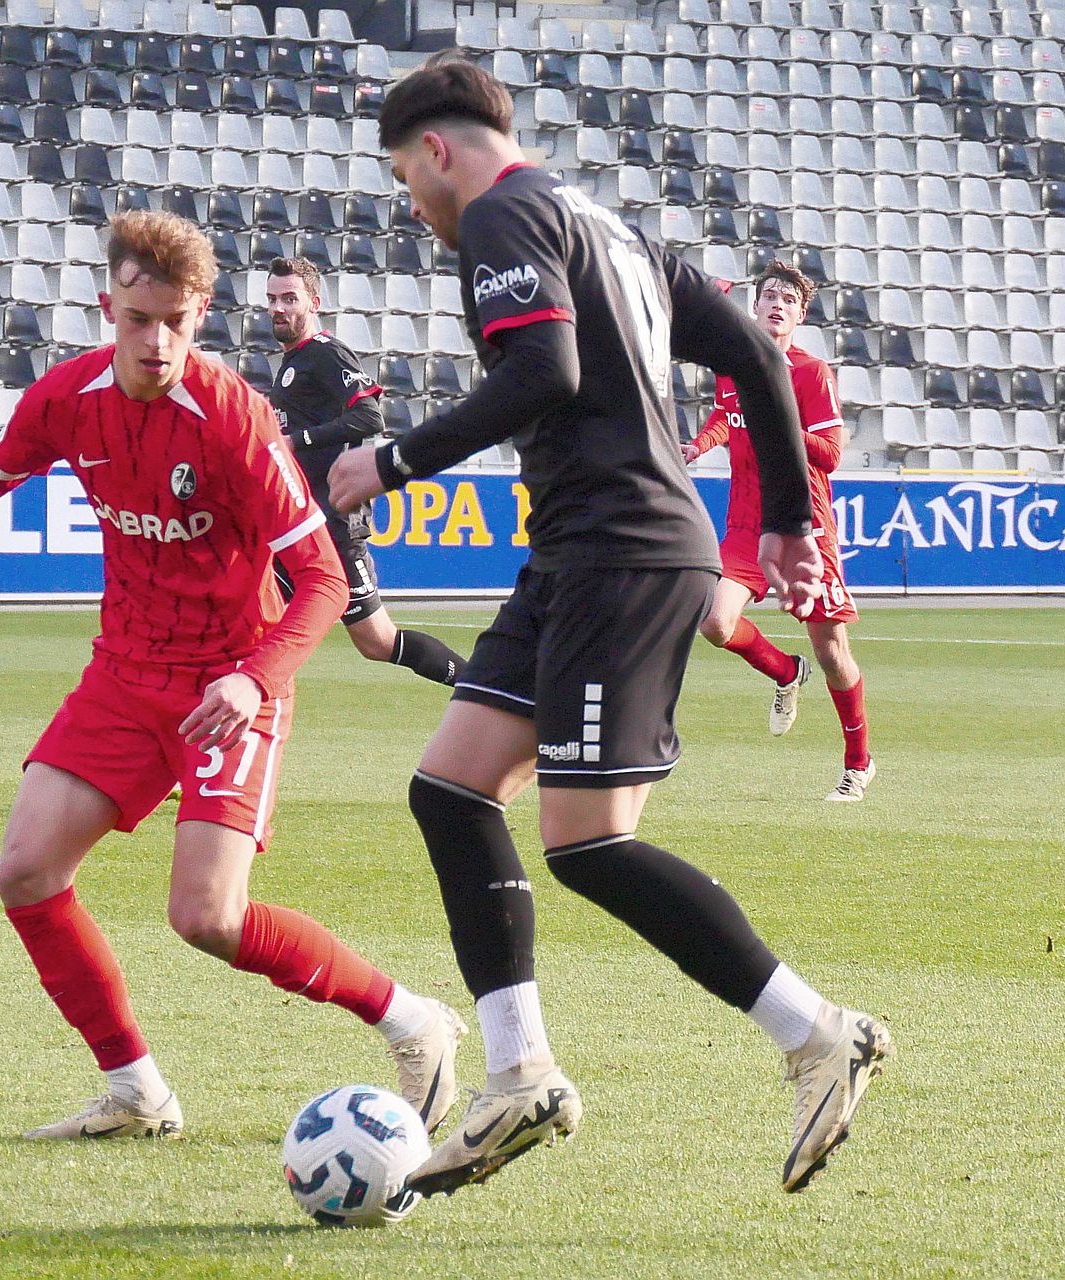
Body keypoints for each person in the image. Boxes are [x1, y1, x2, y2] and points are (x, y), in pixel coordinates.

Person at [325, 58, 889, 1198]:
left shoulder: (503, 215)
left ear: (436, 149)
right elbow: (755, 353)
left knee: (588, 839)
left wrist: (394, 458)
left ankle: (819, 1031)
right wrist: (786, 515)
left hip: (618, 554)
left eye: (404, 178)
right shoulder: (612, 228)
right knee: (451, 789)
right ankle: (518, 1072)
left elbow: (546, 367)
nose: (414, 205)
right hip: (578, 553)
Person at [0, 211, 464, 1142]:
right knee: (26, 871)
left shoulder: (235, 415)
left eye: (176, 323)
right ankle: (136, 1091)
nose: (157, 343)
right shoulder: (67, 398)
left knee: (207, 917)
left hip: (229, 685)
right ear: (106, 304)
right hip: (124, 672)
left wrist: (256, 680)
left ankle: (412, 1020)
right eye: (138, 320)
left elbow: (321, 580)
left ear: (202, 312)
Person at [682, 260, 873, 801]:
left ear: (799, 316)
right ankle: (786, 672)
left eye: (788, 300)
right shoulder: (734, 367)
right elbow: (727, 417)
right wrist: (699, 445)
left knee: (832, 652)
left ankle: (858, 763)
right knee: (715, 622)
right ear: (756, 306)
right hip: (746, 524)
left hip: (802, 526)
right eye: (769, 295)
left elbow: (830, 454)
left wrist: (781, 418)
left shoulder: (811, 374)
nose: (777, 305)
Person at [264, 255, 468, 686]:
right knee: (255, 623)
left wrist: (297, 441)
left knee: (377, 643)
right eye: (272, 299)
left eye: (289, 298)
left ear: (313, 302)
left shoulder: (325, 353)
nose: (278, 308)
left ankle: (480, 687)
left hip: (333, 526)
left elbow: (369, 417)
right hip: (301, 524)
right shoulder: (292, 363)